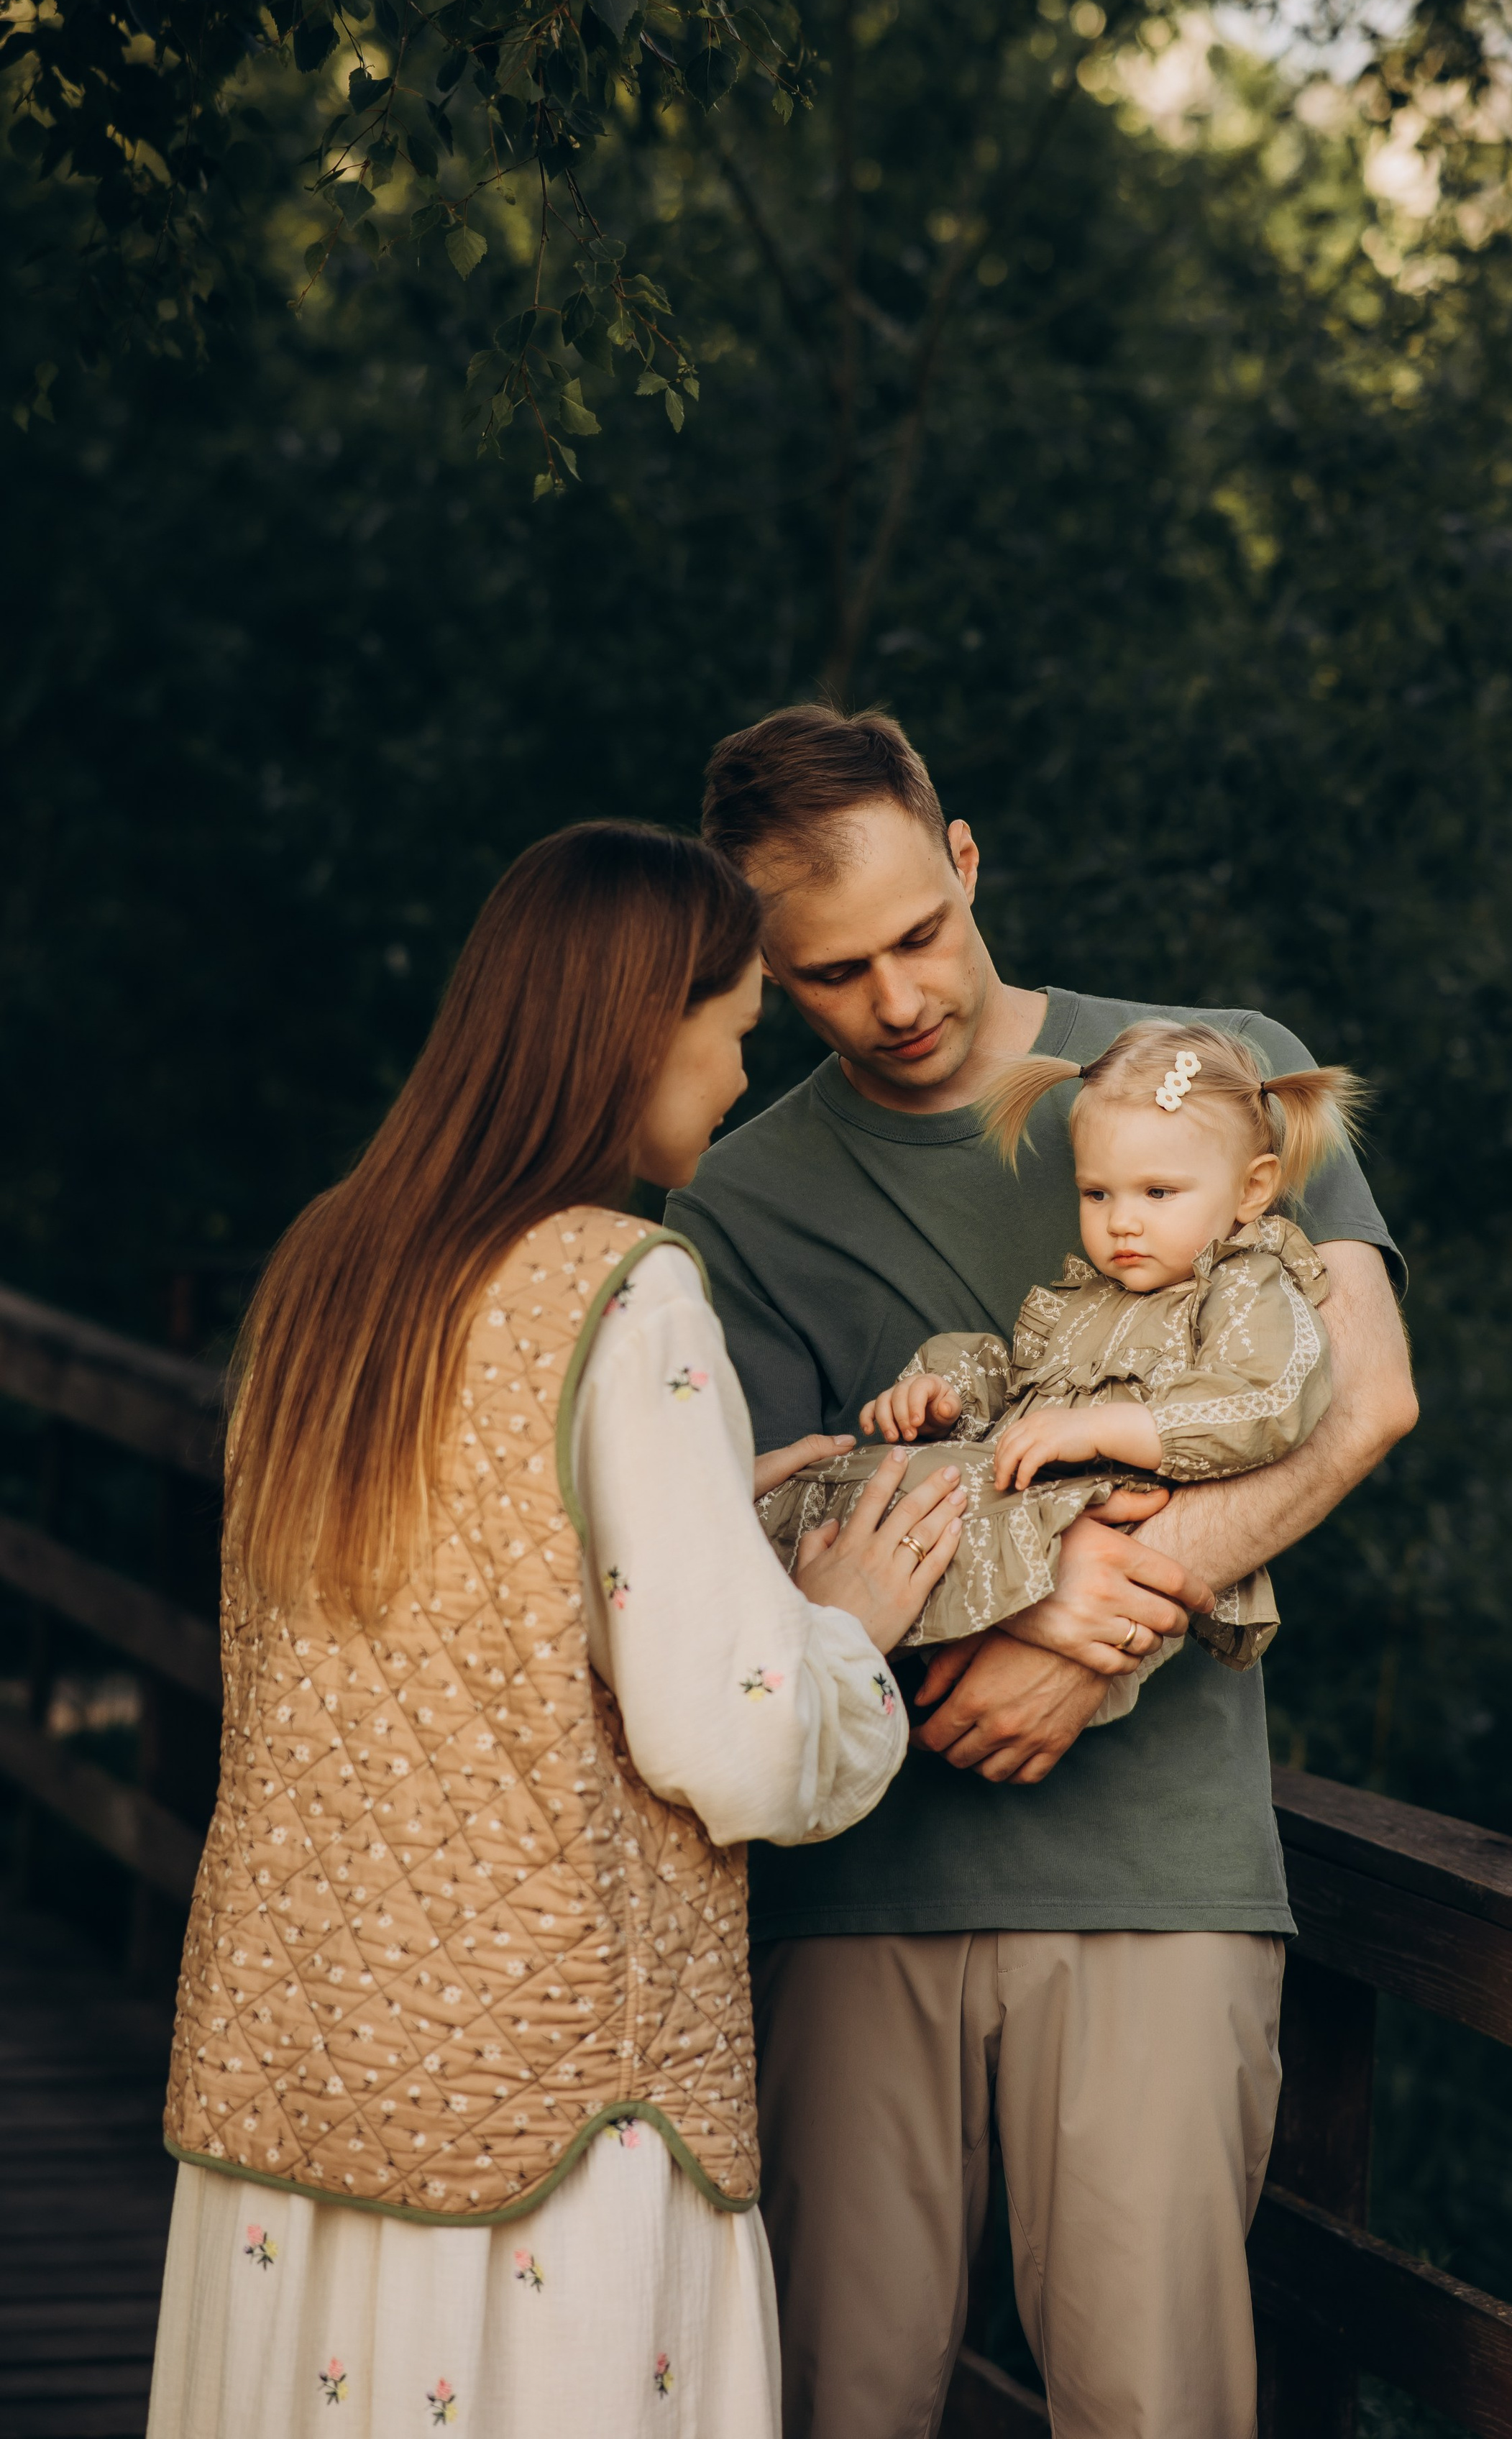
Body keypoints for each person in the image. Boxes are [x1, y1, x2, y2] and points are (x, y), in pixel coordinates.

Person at [147, 820, 967, 2439]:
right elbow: (729, 1739)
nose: (737, 1081)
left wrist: (697, 1500)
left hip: (300, 2074)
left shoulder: (329, 1271)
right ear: (638, 1025)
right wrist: (839, 1629)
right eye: (733, 1029)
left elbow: (448, 1580)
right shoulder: (627, 1287)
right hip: (550, 2107)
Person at [666, 707, 1419, 2439]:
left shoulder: (1221, 1072)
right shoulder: (736, 1194)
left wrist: (1094, 1637)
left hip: (1159, 1876)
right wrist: (1018, 1595)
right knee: (824, 2404)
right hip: (854, 1893)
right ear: (763, 972)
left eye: (920, 930)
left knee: (1148, 2404)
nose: (900, 997)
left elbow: (1360, 1394)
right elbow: (771, 1538)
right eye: (832, 971)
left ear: (968, 857)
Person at [759, 1019, 1367, 1713]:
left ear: (1253, 1189)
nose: (1122, 1222)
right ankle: (806, 1626)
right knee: (870, 1479)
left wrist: (1110, 1428)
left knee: (921, 1496)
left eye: (1158, 1193)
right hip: (1043, 1516)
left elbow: (1269, 1399)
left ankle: (821, 1647)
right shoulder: (1087, 1301)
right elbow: (1016, 1382)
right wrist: (941, 1392)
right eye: (1097, 1193)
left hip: (1123, 1544)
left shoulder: (1243, 1282)